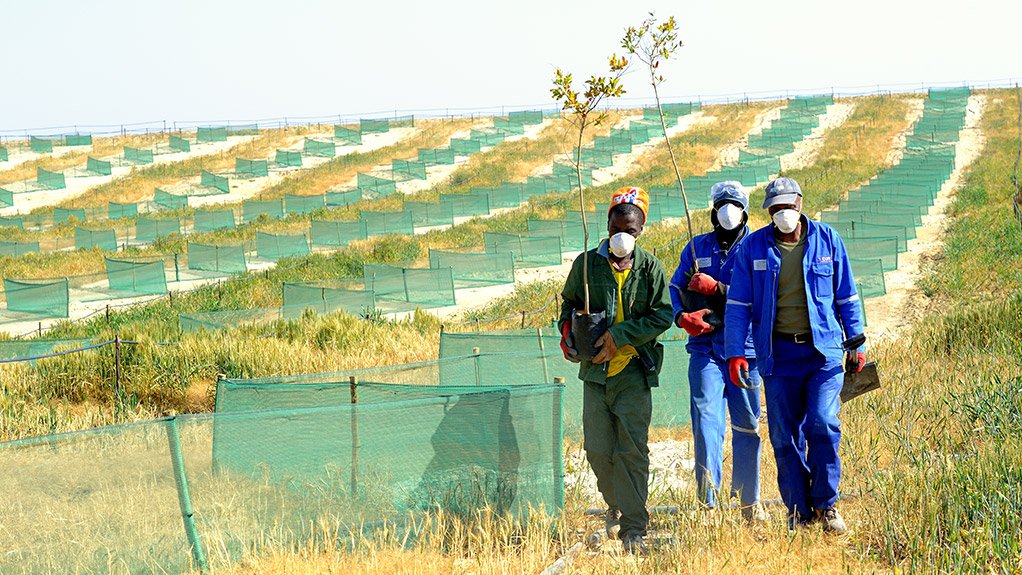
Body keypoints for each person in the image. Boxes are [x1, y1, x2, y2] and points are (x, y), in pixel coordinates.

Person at [724, 177, 866, 533]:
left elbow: (847, 295)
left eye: (788, 205)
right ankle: (799, 513)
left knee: (823, 424)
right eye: (775, 207)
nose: (783, 213)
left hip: (824, 353)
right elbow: (739, 305)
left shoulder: (827, 240)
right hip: (778, 355)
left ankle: (827, 505)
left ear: (800, 203)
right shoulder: (753, 248)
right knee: (784, 437)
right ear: (768, 211)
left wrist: (857, 343)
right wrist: (735, 352)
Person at [559, 186, 674, 554]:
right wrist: (567, 333)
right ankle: (617, 502)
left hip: (632, 373)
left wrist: (620, 336)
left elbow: (663, 314)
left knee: (633, 451)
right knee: (597, 450)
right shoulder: (587, 264)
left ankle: (634, 526)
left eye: (632, 228)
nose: (623, 234)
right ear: (607, 223)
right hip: (595, 376)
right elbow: (569, 304)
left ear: (642, 229)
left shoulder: (650, 267)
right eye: (617, 226)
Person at [668, 181, 766, 522]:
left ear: (744, 211)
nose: (727, 210)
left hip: (745, 350)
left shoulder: (757, 246)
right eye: (722, 204)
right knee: (706, 420)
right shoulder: (696, 248)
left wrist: (718, 288)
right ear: (712, 211)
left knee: (747, 425)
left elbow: (761, 295)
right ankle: (707, 502)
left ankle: (748, 503)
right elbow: (675, 287)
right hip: (705, 349)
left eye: (734, 204)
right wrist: (682, 316)